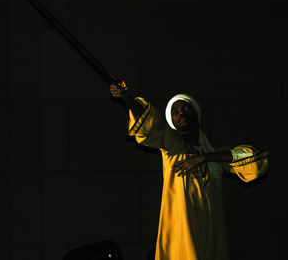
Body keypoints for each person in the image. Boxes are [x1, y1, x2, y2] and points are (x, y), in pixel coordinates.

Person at [109, 82, 269, 260]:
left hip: (211, 233)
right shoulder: (172, 145)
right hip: (184, 232)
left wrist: (205, 157)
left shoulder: (214, 153)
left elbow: (256, 161)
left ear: (196, 114)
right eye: (175, 112)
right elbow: (150, 123)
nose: (181, 113)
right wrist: (127, 97)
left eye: (186, 108)